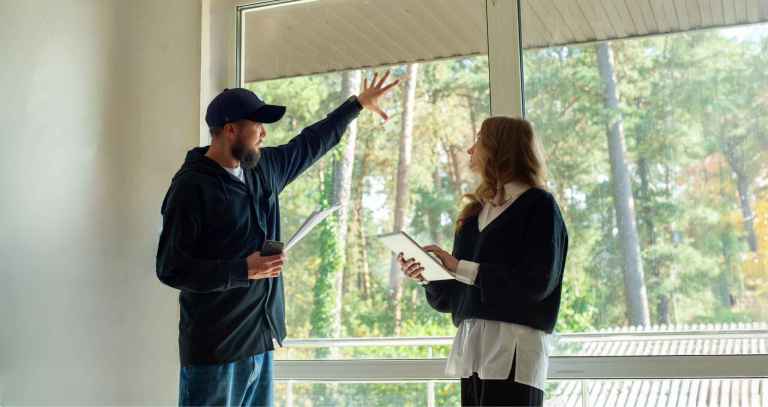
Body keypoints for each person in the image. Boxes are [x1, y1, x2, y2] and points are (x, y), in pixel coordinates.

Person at [156, 72, 399, 406]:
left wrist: (356, 105)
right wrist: (243, 269)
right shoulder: (190, 188)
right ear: (231, 131)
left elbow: (310, 143)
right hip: (216, 350)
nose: (264, 133)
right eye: (258, 125)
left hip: (260, 342)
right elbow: (171, 268)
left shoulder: (262, 168)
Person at [398, 117, 569, 407]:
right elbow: (451, 299)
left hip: (514, 347)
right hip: (473, 345)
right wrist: (428, 274)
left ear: (499, 149)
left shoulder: (540, 206)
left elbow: (537, 283)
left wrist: (458, 267)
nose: (469, 150)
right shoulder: (474, 213)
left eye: (478, 141)